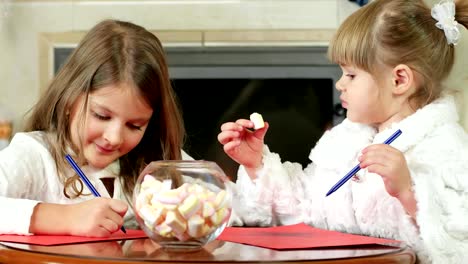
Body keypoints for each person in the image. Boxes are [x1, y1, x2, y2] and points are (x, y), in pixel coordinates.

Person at [218, 0, 468, 262]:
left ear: (399, 80)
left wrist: (408, 192)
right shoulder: (345, 140)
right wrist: (256, 164)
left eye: (351, 75)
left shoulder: (445, 148)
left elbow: (459, 242)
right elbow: (304, 207)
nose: (340, 84)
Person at [0, 19, 189, 237]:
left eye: (135, 125)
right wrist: (65, 218)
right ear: (70, 100)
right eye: (101, 116)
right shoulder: (34, 154)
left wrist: (239, 161)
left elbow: (230, 208)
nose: (115, 137)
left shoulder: (158, 160)